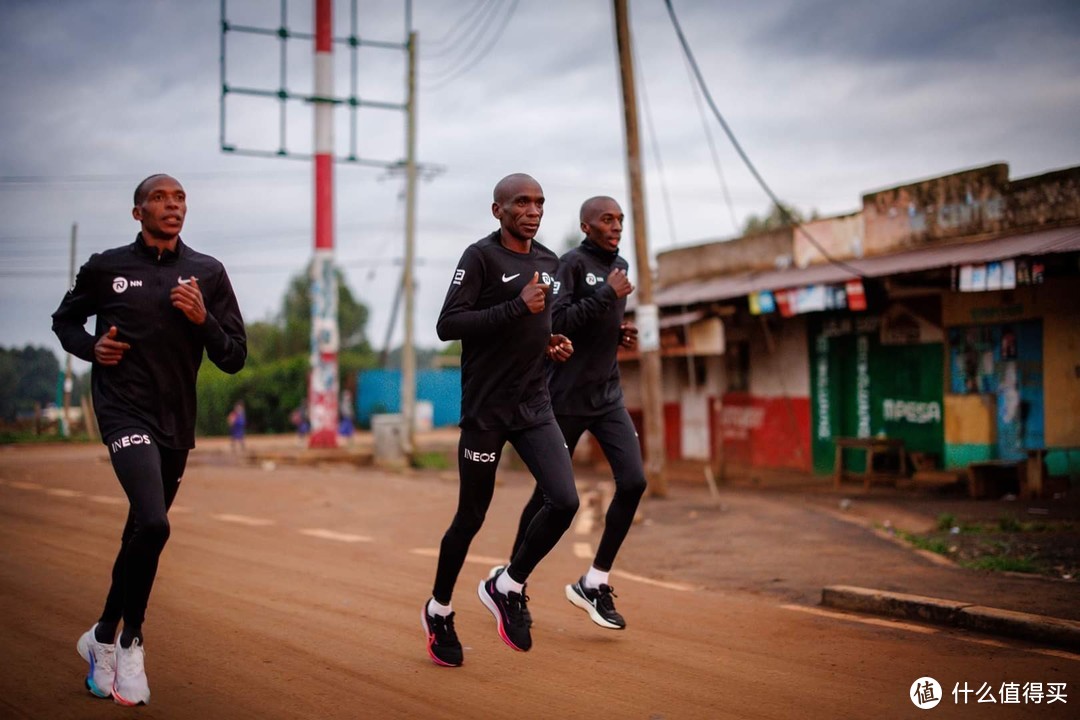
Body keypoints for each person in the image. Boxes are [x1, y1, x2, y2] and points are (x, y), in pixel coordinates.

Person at [52, 174, 247, 705]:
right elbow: (64, 321)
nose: (172, 205)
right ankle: (132, 641)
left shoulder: (207, 273)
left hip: (175, 420)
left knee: (140, 530)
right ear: (138, 213)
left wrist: (204, 319)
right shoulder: (107, 267)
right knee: (156, 522)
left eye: (179, 197)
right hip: (122, 412)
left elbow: (234, 356)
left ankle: (100, 638)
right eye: (160, 198)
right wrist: (93, 349)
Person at [421, 173, 578, 667]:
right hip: (486, 412)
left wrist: (550, 343)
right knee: (471, 516)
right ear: (498, 211)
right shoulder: (480, 257)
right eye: (522, 203)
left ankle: (507, 585)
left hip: (533, 406)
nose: (532, 211)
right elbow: (449, 324)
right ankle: (439, 610)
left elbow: (538, 323)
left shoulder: (550, 263)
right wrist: (515, 307)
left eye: (539, 203)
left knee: (565, 499)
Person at [496, 196, 645, 631]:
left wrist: (618, 332)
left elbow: (596, 321)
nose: (616, 226)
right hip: (563, 399)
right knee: (549, 494)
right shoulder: (572, 265)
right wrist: (605, 296)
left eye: (619, 219)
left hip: (607, 396)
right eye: (606, 219)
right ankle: (510, 579)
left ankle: (594, 581)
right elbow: (556, 321)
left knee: (634, 481)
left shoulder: (622, 269)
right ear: (586, 226)